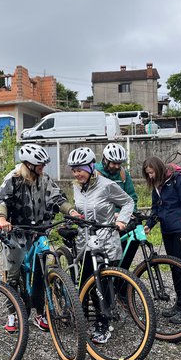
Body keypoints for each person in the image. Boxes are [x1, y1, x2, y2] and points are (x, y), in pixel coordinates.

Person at [0, 143, 79, 332]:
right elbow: (1, 202)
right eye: (40, 165)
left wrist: (71, 210)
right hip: (16, 231)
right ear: (29, 165)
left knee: (42, 268)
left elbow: (58, 198)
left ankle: (40, 312)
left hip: (40, 231)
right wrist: (2, 218)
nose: (43, 168)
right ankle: (13, 314)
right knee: (14, 273)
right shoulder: (13, 179)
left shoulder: (45, 179)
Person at [68, 146, 134, 344]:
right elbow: (79, 208)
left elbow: (128, 202)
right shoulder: (76, 186)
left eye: (80, 169)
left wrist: (121, 220)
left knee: (102, 285)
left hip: (105, 240)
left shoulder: (106, 185)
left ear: (90, 167)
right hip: (85, 242)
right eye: (74, 170)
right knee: (86, 283)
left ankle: (103, 323)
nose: (76, 173)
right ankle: (85, 316)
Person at [142, 156, 181, 325]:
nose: (150, 177)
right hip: (167, 230)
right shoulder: (158, 185)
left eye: (151, 173)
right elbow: (155, 208)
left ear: (158, 169)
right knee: (174, 268)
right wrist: (149, 225)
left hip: (180, 231)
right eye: (147, 174)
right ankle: (179, 304)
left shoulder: (178, 180)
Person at [93, 143, 139, 270]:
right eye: (114, 163)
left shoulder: (123, 174)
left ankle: (120, 282)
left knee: (122, 255)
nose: (117, 166)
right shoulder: (94, 173)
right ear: (105, 160)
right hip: (101, 221)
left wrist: (130, 214)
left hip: (120, 221)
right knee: (101, 259)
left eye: (119, 163)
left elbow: (132, 197)